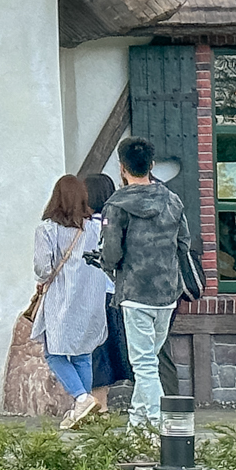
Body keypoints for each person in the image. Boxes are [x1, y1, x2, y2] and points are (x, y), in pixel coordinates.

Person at [99, 136, 189, 429]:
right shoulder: (172, 200)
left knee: (144, 365)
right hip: (167, 292)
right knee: (149, 362)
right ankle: (136, 427)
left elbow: (111, 252)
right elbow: (184, 243)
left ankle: (159, 424)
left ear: (122, 167)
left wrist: (107, 264)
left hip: (135, 292)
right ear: (151, 165)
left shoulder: (117, 205)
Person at [32, 175, 108, 429]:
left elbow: (43, 269)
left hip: (61, 299)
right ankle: (84, 412)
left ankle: (82, 397)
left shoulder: (48, 229)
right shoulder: (95, 229)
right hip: (91, 300)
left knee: (53, 353)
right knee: (82, 355)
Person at [83, 173, 130, 412]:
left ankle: (96, 405)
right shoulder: (116, 222)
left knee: (95, 350)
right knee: (110, 349)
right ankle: (102, 402)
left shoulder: (84, 226)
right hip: (114, 292)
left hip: (89, 295)